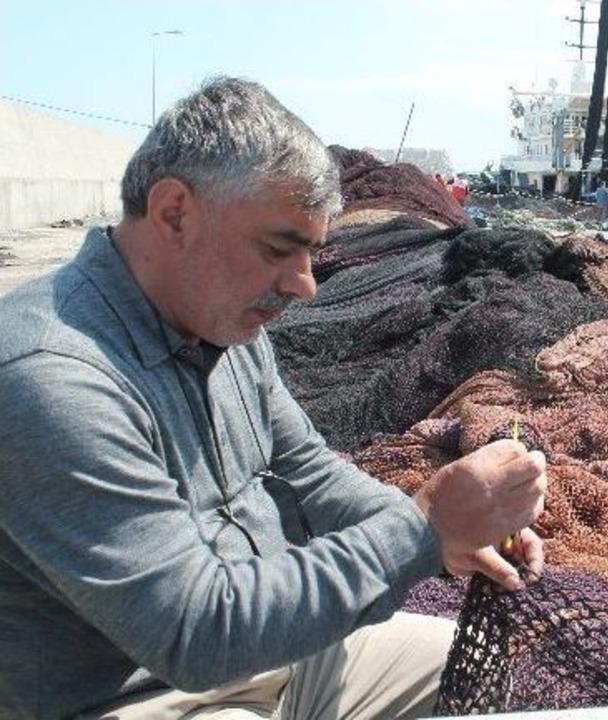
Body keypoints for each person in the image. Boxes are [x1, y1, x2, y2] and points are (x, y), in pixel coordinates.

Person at [0, 77, 547, 720]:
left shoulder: (223, 322)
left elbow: (307, 473)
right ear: (174, 212)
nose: (305, 286)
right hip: (146, 693)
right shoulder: (53, 379)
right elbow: (194, 632)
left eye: (313, 253)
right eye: (278, 249)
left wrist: (452, 538)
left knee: (484, 674)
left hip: (277, 655)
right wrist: (421, 529)